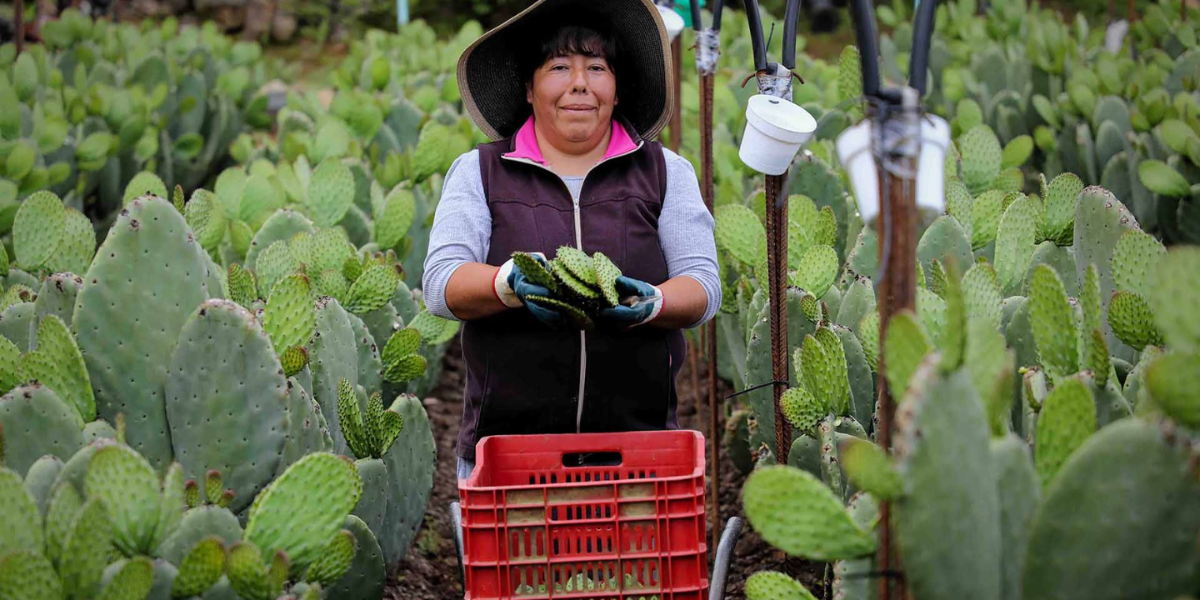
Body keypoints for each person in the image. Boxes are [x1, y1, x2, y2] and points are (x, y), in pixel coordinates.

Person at [422, 0, 721, 482]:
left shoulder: (666, 173)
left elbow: (703, 287)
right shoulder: (480, 172)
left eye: (597, 68)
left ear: (617, 89)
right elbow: (441, 284)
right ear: (529, 87)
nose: (579, 83)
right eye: (559, 66)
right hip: (510, 451)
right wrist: (509, 283)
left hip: (639, 450)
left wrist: (652, 303)